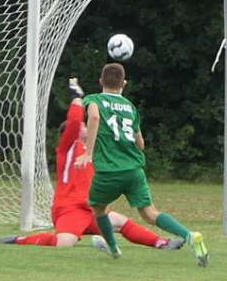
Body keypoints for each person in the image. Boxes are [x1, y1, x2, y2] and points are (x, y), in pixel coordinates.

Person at [0, 78, 184, 251]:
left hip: (92, 209)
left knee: (122, 222)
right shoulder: (68, 146)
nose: (86, 127)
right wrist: (77, 98)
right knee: (63, 243)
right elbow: (75, 121)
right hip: (71, 208)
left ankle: (162, 243)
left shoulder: (94, 149)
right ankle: (19, 240)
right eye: (83, 126)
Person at [75, 63, 208, 266]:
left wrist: (89, 152)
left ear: (100, 82)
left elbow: (93, 116)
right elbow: (141, 143)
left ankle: (113, 249)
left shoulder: (94, 99)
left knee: (98, 208)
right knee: (150, 213)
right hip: (134, 170)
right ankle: (189, 235)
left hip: (109, 171)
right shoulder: (130, 107)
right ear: (124, 84)